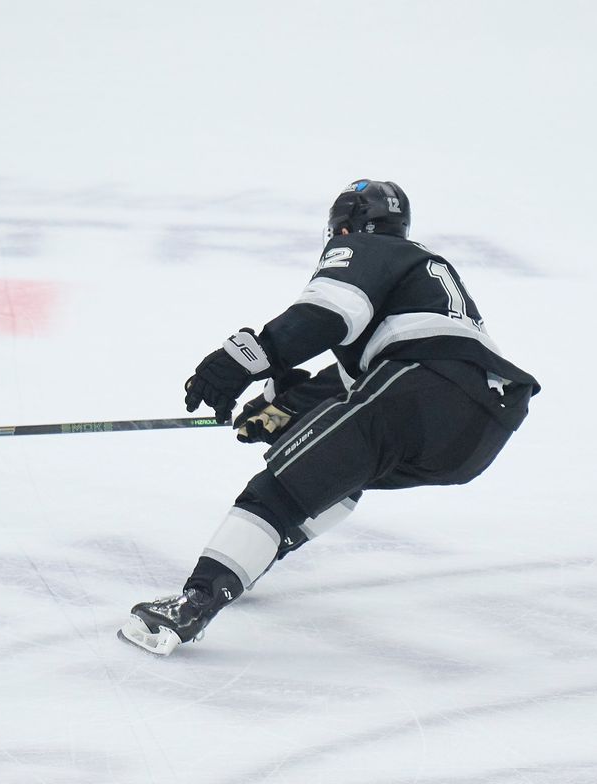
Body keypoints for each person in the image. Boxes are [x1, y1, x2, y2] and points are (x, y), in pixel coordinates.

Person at [118, 179, 540, 655]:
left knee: (279, 489)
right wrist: (280, 407)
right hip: (481, 427)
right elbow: (348, 380)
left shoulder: (363, 248)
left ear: (345, 226)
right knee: (340, 470)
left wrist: (242, 361)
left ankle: (194, 603)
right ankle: (248, 558)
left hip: (424, 383)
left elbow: (327, 314)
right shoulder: (419, 280)